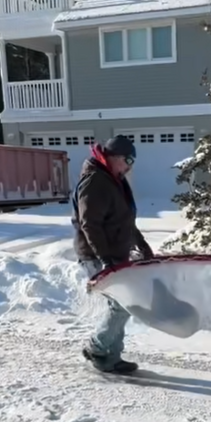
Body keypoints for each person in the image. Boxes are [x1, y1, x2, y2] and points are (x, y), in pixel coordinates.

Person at [72, 135, 154, 374]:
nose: (130, 166)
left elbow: (124, 219)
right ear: (114, 156)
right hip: (97, 254)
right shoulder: (95, 181)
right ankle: (97, 347)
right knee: (121, 305)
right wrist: (104, 259)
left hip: (115, 253)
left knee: (124, 304)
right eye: (128, 160)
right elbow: (90, 224)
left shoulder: (114, 179)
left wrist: (142, 245)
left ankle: (112, 357)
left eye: (132, 161)